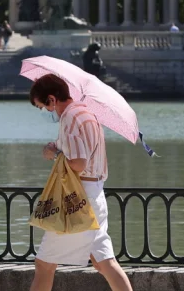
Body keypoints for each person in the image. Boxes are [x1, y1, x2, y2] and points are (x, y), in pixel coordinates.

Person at [29, 74, 133, 291]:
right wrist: (55, 147)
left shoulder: (70, 118)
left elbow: (77, 162)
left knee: (44, 264)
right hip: (94, 193)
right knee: (104, 262)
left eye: (43, 107)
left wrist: (55, 155)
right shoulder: (86, 113)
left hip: (76, 198)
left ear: (52, 99)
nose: (46, 112)